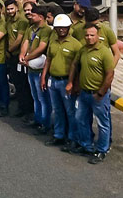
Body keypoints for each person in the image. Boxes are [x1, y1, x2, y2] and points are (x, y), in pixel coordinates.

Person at [68, 24, 115, 164]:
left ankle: (102, 150)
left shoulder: (104, 52)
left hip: (98, 95)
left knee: (102, 123)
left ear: (98, 35)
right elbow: (76, 66)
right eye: (87, 35)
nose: (89, 38)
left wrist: (101, 93)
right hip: (83, 93)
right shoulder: (83, 50)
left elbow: (110, 74)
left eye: (92, 35)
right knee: (80, 119)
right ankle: (86, 145)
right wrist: (73, 83)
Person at [41, 14, 82, 148]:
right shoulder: (53, 42)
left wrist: (72, 84)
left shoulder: (76, 45)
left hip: (66, 82)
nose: (61, 30)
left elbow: (77, 67)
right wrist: (43, 77)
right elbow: (48, 60)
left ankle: (72, 138)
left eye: (64, 28)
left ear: (69, 28)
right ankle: (59, 135)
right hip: (53, 81)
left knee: (70, 111)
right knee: (57, 110)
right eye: (58, 28)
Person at [20, 5, 53, 133]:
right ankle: (37, 119)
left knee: (43, 98)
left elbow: (41, 48)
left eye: (33, 15)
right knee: (35, 96)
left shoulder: (46, 30)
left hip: (39, 70)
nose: (30, 16)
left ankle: (45, 123)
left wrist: (27, 58)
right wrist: (22, 55)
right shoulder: (31, 28)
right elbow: (26, 42)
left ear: (40, 17)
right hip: (30, 69)